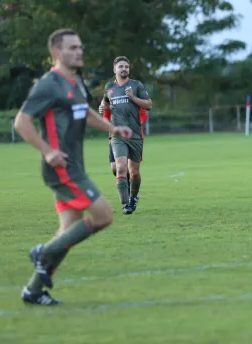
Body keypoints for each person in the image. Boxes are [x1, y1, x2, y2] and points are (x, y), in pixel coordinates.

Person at [14, 28, 132, 305]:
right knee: (103, 215)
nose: (79, 51)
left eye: (80, 46)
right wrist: (47, 152)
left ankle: (33, 291)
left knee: (68, 231)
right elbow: (22, 122)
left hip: (72, 164)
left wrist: (113, 128)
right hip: (61, 166)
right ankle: (43, 252)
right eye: (72, 48)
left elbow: (86, 113)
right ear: (57, 53)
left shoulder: (76, 80)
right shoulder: (48, 84)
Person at [101, 56, 152, 214]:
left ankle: (133, 198)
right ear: (114, 69)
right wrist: (102, 108)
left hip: (135, 135)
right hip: (117, 135)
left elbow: (149, 105)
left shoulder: (136, 85)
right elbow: (105, 104)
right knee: (120, 167)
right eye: (121, 66)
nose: (124, 69)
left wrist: (133, 97)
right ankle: (125, 204)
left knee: (134, 172)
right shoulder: (109, 87)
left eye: (126, 67)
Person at [101, 101, 148, 182]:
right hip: (115, 136)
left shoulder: (133, 96)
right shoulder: (112, 95)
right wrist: (110, 126)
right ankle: (127, 189)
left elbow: (143, 114)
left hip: (133, 137)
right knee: (115, 168)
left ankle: (131, 192)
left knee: (132, 170)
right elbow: (106, 115)